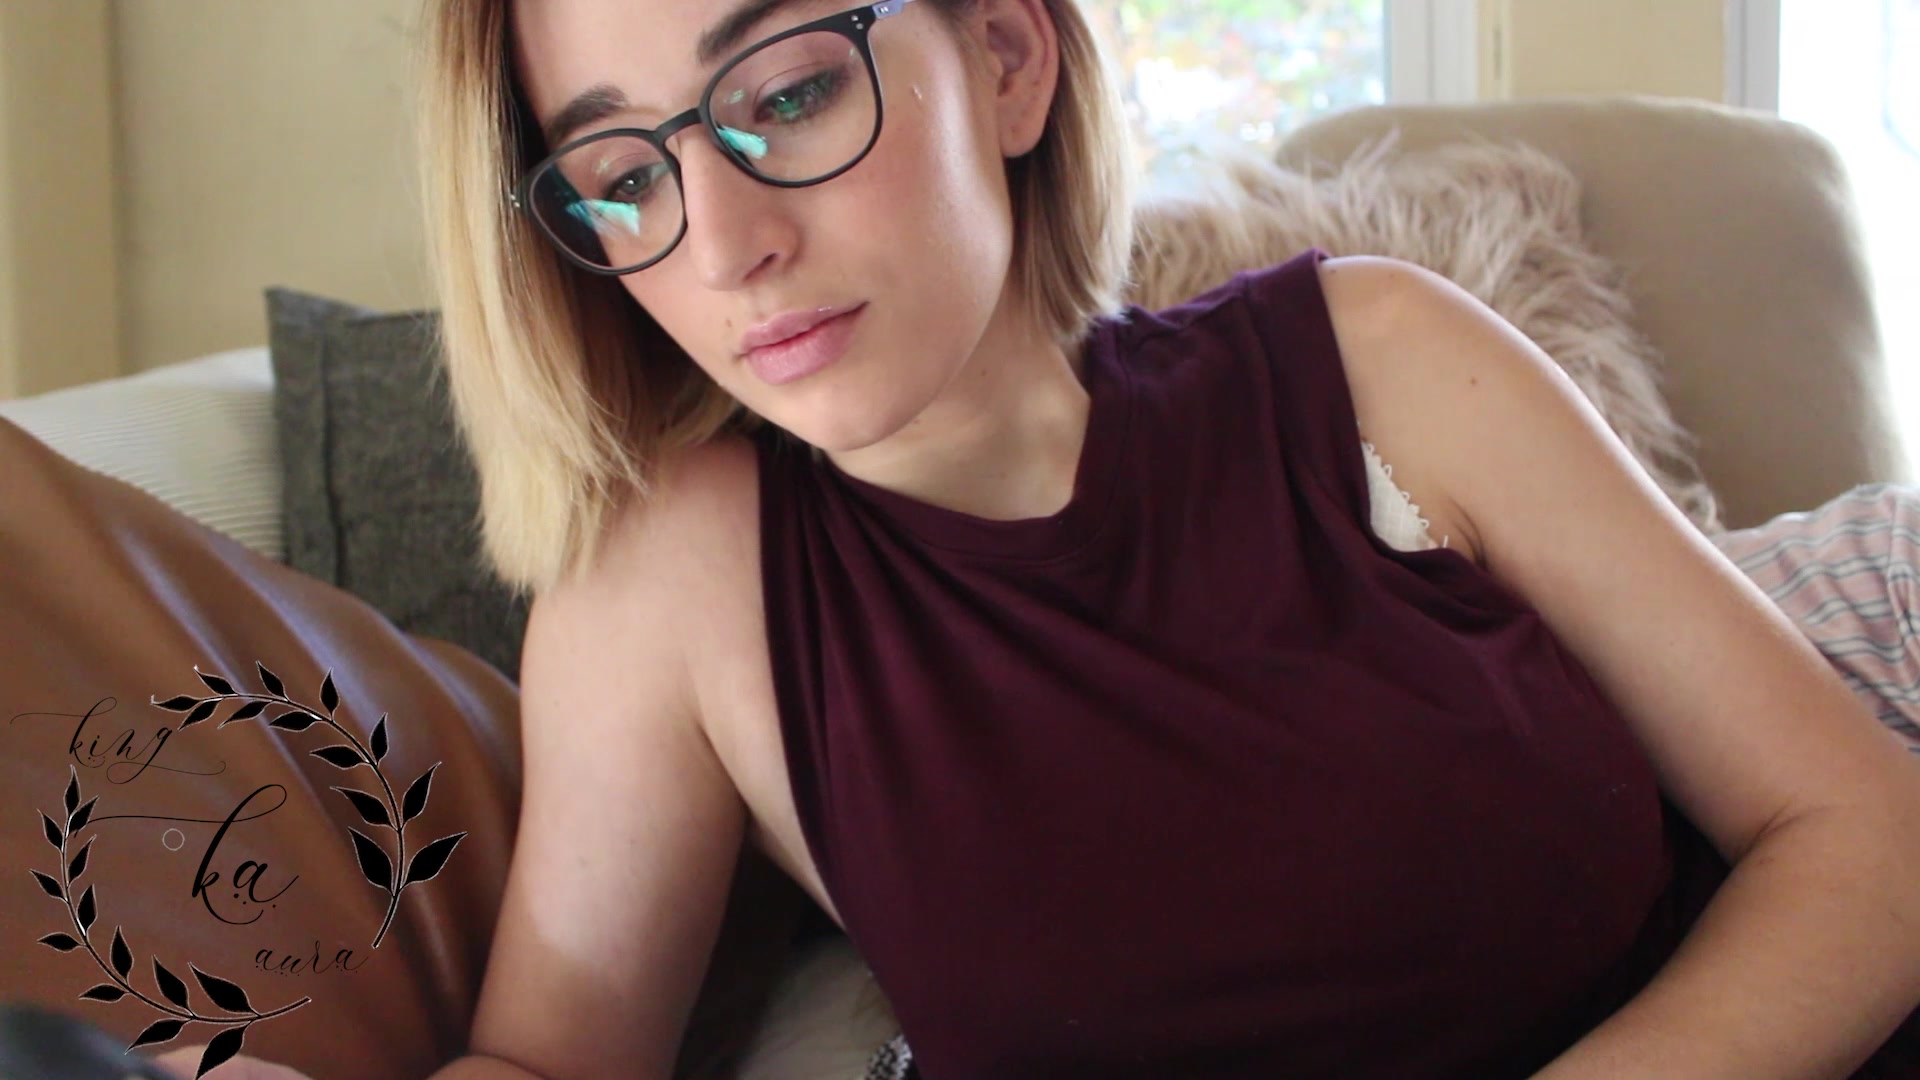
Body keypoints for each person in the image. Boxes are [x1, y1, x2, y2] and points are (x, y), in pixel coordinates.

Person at [162, 0, 1920, 1077]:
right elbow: (554, 1063)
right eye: (624, 176)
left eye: (787, 93)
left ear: (1006, 57)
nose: (725, 242)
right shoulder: (670, 590)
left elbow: (1863, 840)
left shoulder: (1384, 361)